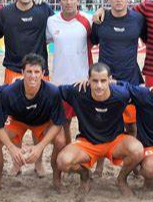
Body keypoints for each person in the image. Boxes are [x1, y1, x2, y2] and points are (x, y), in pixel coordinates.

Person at [56, 63, 144, 196]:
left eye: (103, 81)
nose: (99, 85)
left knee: (137, 150)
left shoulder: (121, 94)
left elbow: (145, 94)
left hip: (115, 141)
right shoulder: (78, 91)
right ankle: (85, 175)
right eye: (95, 81)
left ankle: (121, 179)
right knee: (62, 162)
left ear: (110, 80)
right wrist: (23, 83)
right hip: (87, 143)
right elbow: (52, 90)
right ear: (88, 80)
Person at [0, 54, 66, 193]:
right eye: (29, 72)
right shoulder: (9, 92)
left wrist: (39, 147)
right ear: (22, 72)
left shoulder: (52, 92)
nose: (33, 76)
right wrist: (11, 148)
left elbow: (58, 123)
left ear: (43, 73)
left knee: (61, 140)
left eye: (37, 72)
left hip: (42, 121)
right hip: (18, 121)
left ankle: (56, 180)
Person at [90, 0, 146, 175]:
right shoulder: (100, 19)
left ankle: (135, 165)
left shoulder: (138, 19)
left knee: (131, 124)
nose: (119, 0)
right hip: (104, 80)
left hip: (130, 78)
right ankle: (98, 163)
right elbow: (94, 40)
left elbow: (146, 38)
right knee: (102, 122)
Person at [46, 0, 92, 144]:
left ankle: (85, 155)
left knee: (86, 122)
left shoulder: (88, 20)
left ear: (78, 0)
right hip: (60, 82)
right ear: (59, 1)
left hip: (83, 81)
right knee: (64, 123)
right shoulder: (51, 21)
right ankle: (67, 149)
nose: (68, 2)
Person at [0, 0, 54, 85]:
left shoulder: (44, 10)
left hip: (39, 70)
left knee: (43, 102)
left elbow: (61, 27)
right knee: (12, 102)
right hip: (14, 70)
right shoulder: (5, 13)